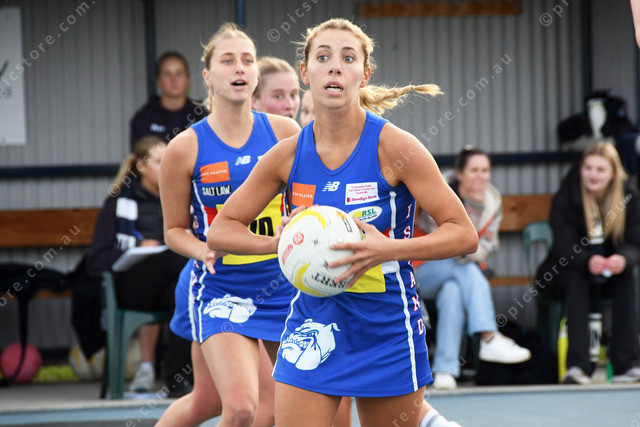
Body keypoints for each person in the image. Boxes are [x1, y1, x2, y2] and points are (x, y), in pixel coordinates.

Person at [208, 18, 477, 427]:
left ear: (364, 74)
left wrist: (388, 250)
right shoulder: (287, 154)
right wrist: (280, 243)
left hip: (384, 325)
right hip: (313, 321)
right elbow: (221, 229)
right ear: (305, 72)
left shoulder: (395, 147)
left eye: (348, 58)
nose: (335, 66)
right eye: (323, 57)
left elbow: (463, 233)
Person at [158, 23, 301, 427]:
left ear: (255, 75)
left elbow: (306, 203)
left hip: (282, 285)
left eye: (247, 60)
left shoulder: (285, 133)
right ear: (207, 76)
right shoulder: (185, 147)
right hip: (222, 287)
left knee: (291, 409)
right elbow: (173, 230)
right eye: (228, 60)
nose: (239, 67)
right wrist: (202, 249)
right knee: (239, 409)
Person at [414, 146, 532, 390]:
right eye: (474, 170)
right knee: (465, 270)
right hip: (419, 268)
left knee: (453, 291)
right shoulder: (439, 189)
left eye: (485, 170)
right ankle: (489, 336)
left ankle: (445, 371)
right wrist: (467, 247)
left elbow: (486, 244)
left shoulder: (492, 201)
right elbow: (443, 240)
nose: (481, 176)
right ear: (459, 174)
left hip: (457, 270)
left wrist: (467, 248)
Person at [88, 136, 192, 397]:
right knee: (177, 258)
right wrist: (136, 247)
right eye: (159, 161)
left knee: (184, 293)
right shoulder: (118, 203)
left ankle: (178, 381)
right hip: (131, 288)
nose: (167, 167)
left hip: (169, 284)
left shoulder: (181, 199)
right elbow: (97, 258)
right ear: (141, 166)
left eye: (170, 161)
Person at [540, 142, 640, 384]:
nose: (592, 174)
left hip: (609, 272)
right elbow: (562, 246)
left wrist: (623, 259)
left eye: (600, 169)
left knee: (627, 278)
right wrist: (587, 260)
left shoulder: (629, 196)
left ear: (613, 174)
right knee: (578, 279)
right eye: (588, 168)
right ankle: (577, 367)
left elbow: (635, 240)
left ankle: (626, 365)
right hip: (566, 271)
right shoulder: (566, 196)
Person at [129, 51, 207, 151]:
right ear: (158, 80)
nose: (173, 79)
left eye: (179, 74)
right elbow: (139, 157)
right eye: (167, 74)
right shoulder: (144, 118)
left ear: (187, 78)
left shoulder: (201, 114)